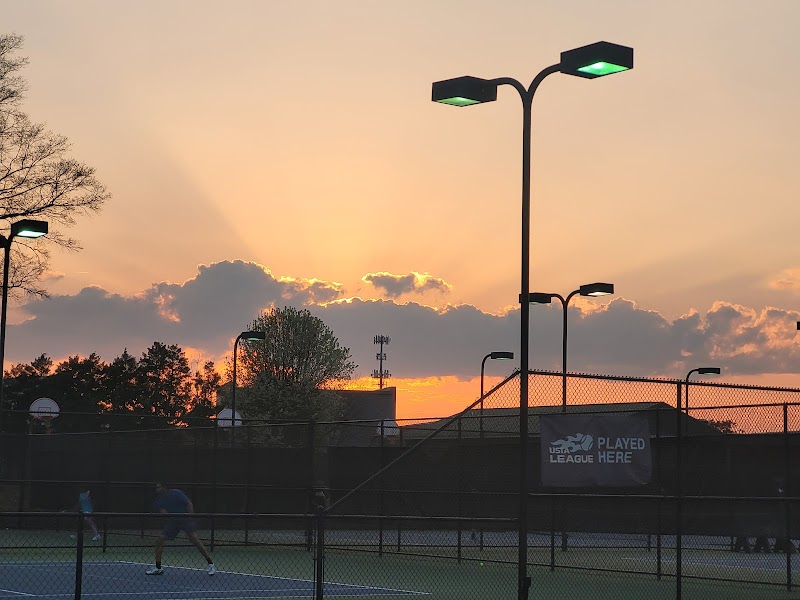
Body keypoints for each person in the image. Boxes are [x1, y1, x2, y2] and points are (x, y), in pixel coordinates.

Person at [145, 482, 216, 576]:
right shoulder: (159, 500)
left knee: (195, 540)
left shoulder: (176, 493)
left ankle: (211, 564)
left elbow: (189, 504)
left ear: (164, 487)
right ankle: (158, 568)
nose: (157, 489)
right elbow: (163, 513)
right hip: (173, 522)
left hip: (185, 519)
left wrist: (190, 519)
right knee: (160, 540)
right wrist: (165, 514)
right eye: (156, 488)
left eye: (159, 487)